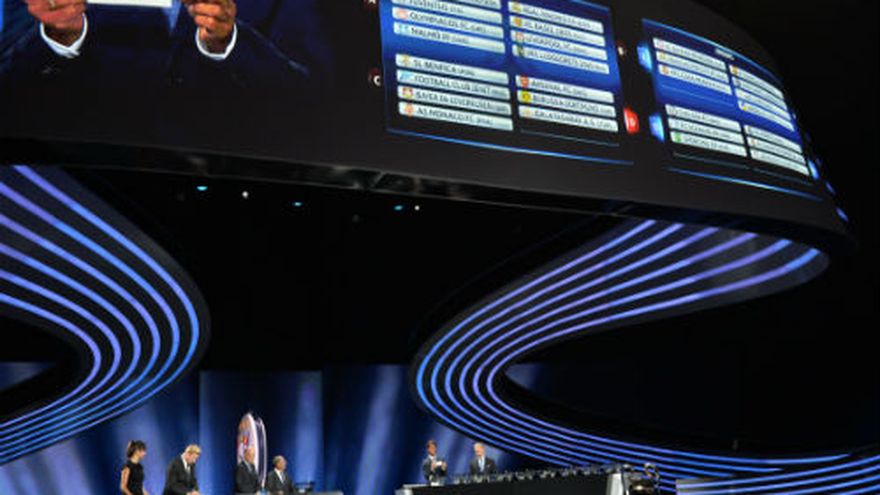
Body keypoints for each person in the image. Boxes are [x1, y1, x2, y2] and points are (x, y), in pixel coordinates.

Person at [0, 0, 325, 144]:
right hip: (76, 186)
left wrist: (228, 42)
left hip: (224, 189)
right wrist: (59, 37)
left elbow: (310, 100)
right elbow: (8, 87)